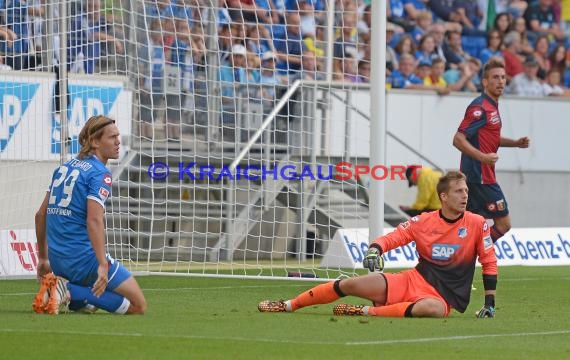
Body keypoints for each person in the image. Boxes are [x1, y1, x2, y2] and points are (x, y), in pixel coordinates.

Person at [258, 171, 498, 318]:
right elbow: (392, 238)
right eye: (458, 191)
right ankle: (289, 305)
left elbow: (489, 262)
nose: (465, 195)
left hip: (442, 298)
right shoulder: (423, 221)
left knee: (432, 311)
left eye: (465, 190)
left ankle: (366, 311)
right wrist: (375, 249)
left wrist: (489, 304)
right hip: (410, 282)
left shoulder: (477, 223)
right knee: (349, 284)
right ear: (444, 197)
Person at [33, 115, 146, 315]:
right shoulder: (99, 173)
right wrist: (102, 263)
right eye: (112, 137)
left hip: (58, 261)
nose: (118, 141)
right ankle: (68, 291)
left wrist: (43, 259)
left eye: (118, 136)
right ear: (94, 142)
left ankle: (71, 295)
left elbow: (40, 215)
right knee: (138, 305)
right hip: (84, 261)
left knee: (93, 304)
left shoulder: (63, 168)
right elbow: (94, 220)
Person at [453, 58, 530, 244]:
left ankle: (453, 257)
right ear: (485, 82)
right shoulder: (479, 108)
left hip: (479, 175)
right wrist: (483, 158)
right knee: (503, 224)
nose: (501, 81)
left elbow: (489, 139)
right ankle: (473, 252)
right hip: (481, 177)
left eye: (503, 77)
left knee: (466, 225)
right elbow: (458, 139)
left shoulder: (492, 106)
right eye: (495, 77)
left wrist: (515, 143)